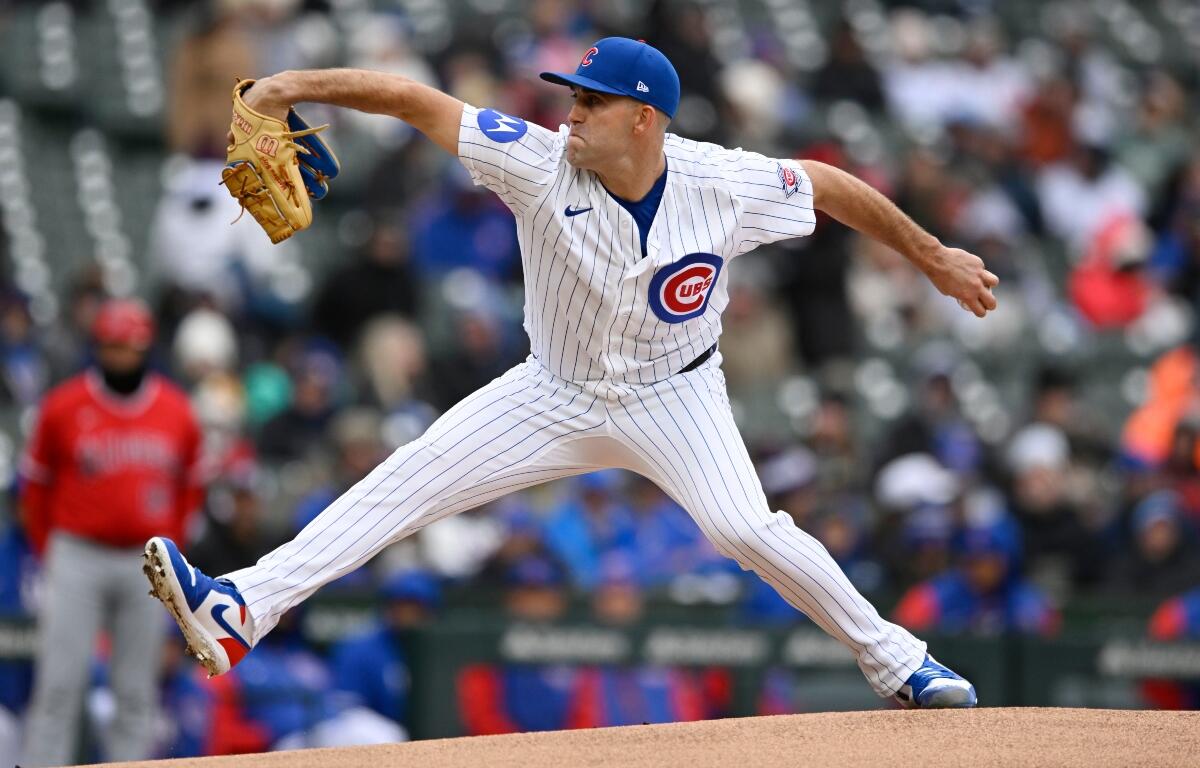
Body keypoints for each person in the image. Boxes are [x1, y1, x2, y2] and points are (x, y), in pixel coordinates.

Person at [144, 36, 1000, 710]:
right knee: (402, 485)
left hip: (677, 391)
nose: (572, 114)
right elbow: (413, 99)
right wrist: (283, 88)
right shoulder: (534, 159)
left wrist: (930, 258)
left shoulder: (722, 182)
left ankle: (902, 662)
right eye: (573, 98)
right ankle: (241, 609)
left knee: (746, 529)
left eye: (592, 101)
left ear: (645, 119)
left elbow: (826, 183)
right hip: (551, 391)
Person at [21, 298, 204, 766]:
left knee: (135, 688)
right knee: (60, 683)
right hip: (77, 552)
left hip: (144, 561)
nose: (122, 356)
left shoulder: (177, 411)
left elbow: (191, 488)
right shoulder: (63, 406)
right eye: (113, 347)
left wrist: (171, 551)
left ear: (146, 349)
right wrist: (51, 551)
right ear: (98, 347)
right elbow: (35, 489)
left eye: (131, 347)